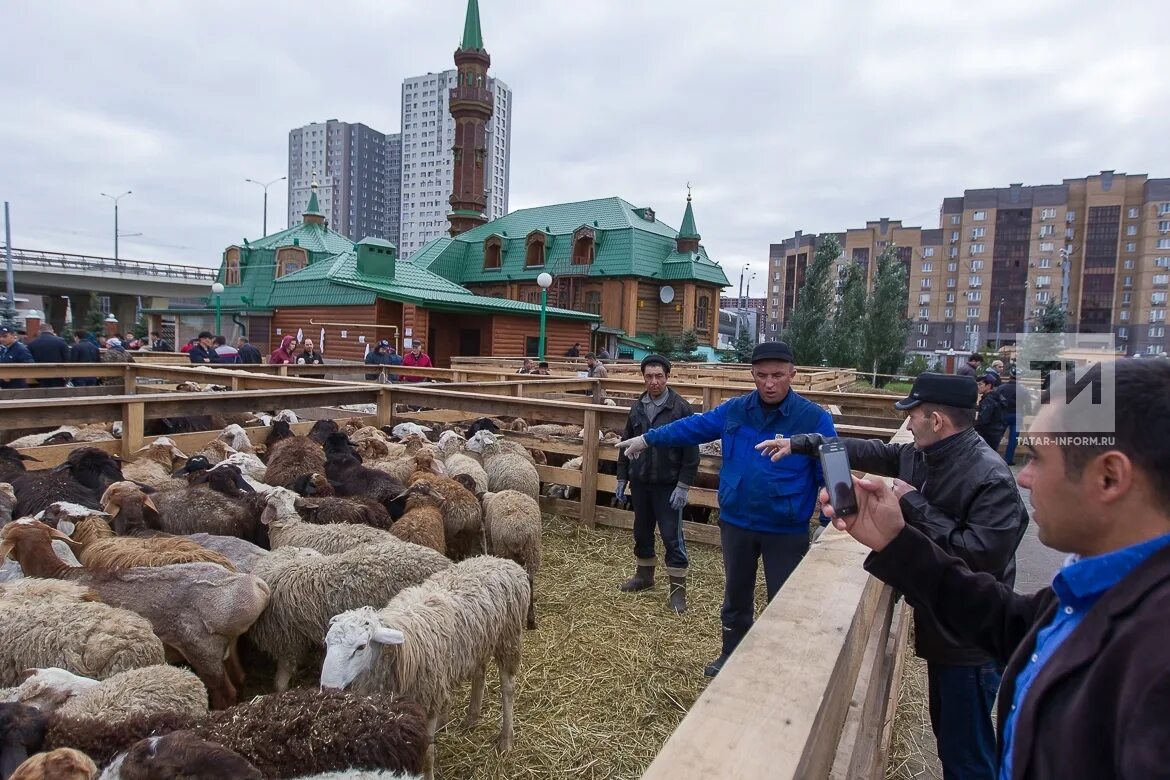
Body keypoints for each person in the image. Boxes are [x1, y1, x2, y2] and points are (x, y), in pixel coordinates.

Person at [819, 358, 1170, 780]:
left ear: (1109, 478)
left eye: (1038, 458)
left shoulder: (1154, 665)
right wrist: (895, 543)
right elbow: (1010, 621)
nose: (1024, 478)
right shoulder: (1101, 589)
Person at [758, 372, 1029, 780]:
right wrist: (801, 443)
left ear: (936, 420)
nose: (909, 421)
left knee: (967, 754)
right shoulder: (926, 454)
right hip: (945, 628)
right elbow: (866, 449)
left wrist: (912, 503)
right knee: (954, 743)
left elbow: (980, 558)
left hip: (970, 642)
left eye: (913, 414)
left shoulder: (991, 478)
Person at [618, 341, 837, 677]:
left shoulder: (814, 418)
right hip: (737, 522)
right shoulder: (736, 409)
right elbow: (690, 427)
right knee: (736, 594)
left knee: (785, 600)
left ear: (792, 374)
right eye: (761, 375)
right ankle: (730, 655)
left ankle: (779, 666)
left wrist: (827, 520)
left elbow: (832, 468)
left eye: (778, 375)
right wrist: (648, 439)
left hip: (786, 526)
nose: (769, 383)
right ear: (751, 374)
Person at [615, 355, 699, 613]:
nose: (654, 381)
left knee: (672, 536)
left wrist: (683, 485)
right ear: (643, 377)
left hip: (667, 483)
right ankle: (644, 576)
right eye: (649, 376)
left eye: (659, 376)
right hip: (641, 482)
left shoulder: (680, 408)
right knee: (641, 530)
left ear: (667, 377)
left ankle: (677, 591)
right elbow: (626, 442)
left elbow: (691, 452)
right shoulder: (637, 407)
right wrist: (622, 476)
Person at [993, 366, 1020, 465]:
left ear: (1010, 376)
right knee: (1013, 439)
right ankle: (1008, 459)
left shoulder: (1001, 388)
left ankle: (992, 457)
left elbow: (995, 399)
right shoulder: (1023, 390)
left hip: (1003, 413)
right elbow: (1027, 404)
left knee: (997, 436)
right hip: (1017, 414)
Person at [974, 373, 1007, 450]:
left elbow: (983, 419)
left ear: (988, 386)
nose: (978, 387)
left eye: (980, 384)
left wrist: (975, 428)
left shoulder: (988, 400)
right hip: (996, 432)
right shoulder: (996, 396)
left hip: (988, 434)